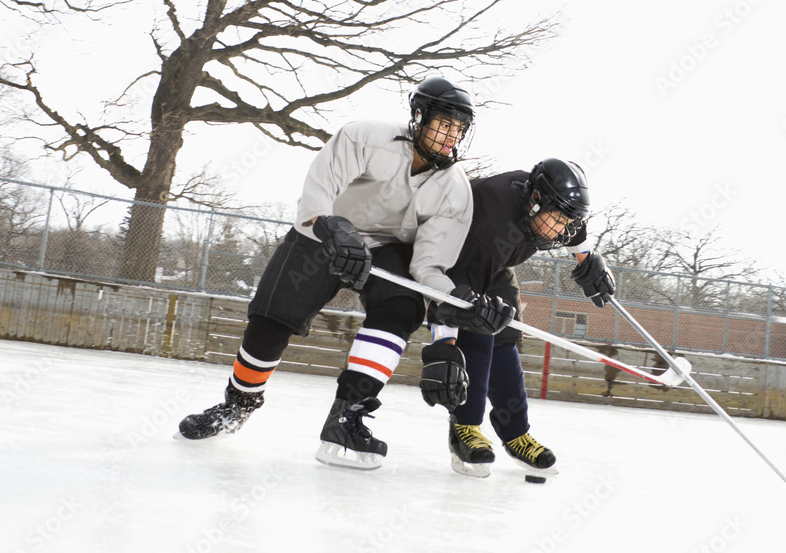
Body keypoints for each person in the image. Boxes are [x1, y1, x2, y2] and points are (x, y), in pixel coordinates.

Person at [176, 76, 515, 470]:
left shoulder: (455, 191)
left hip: (388, 250)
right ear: (419, 117)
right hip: (326, 231)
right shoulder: (365, 137)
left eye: (459, 128)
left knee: (403, 308)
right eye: (444, 123)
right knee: (272, 318)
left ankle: (346, 416)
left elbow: (428, 266)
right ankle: (237, 405)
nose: (450, 135)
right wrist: (330, 225)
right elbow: (319, 189)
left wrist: (459, 301)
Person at [418, 158, 616, 477]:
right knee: (479, 326)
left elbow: (573, 222)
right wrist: (444, 345)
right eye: (557, 221)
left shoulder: (552, 203)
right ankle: (465, 429)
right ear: (535, 203)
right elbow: (448, 301)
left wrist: (587, 259)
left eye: (570, 222)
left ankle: (516, 433)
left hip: (496, 261)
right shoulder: (494, 224)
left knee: (506, 333)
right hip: (456, 252)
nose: (562, 232)